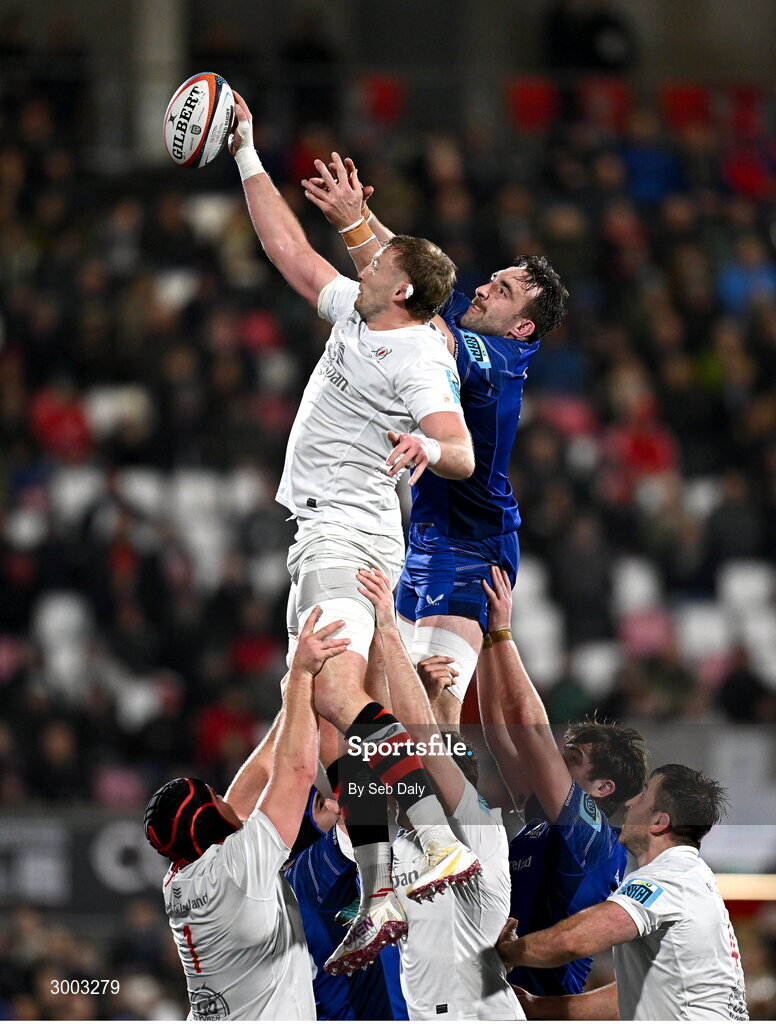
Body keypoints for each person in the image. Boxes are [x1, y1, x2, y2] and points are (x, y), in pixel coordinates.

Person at [229, 92, 481, 972]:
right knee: (343, 718)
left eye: (374, 260)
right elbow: (289, 251)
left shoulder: (414, 353)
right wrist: (248, 154)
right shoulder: (361, 312)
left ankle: (434, 830)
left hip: (346, 534)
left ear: (400, 287)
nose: (359, 258)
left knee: (334, 700)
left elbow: (460, 449)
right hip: (339, 532)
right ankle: (381, 887)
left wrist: (428, 443)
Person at [303, 154, 568, 726]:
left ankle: (445, 818)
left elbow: (419, 320)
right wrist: (361, 213)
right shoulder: (477, 323)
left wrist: (351, 226)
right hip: (418, 537)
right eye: (491, 281)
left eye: (500, 290)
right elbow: (412, 274)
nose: (481, 290)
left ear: (523, 325)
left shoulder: (498, 356)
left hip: (473, 548)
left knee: (437, 711)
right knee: (378, 700)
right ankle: (368, 818)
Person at [142, 607, 348, 1021]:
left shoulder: (185, 873)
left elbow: (256, 775)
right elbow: (297, 770)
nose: (223, 795)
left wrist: (294, 686)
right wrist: (305, 678)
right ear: (210, 825)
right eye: (214, 796)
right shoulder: (235, 871)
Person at [353, 565, 524, 1020]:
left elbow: (425, 747)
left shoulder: (480, 832)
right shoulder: (402, 840)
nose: (396, 783)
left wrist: (387, 628)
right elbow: (369, 732)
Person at [479, 565, 647, 996]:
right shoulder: (546, 818)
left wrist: (503, 632)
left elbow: (528, 732)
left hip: (547, 1001)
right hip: (506, 991)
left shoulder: (591, 832)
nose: (552, 762)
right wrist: (482, 644)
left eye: (570, 758)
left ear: (602, 788)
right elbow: (498, 734)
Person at [497, 764, 749, 1021]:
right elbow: (629, 998)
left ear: (659, 822)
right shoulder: (691, 875)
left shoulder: (668, 876)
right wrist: (536, 1007)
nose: (630, 803)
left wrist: (505, 953)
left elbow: (573, 941)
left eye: (642, 796)